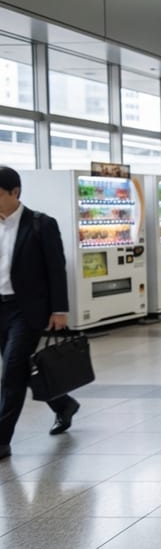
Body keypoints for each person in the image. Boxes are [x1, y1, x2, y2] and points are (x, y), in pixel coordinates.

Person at [0, 167, 80, 459]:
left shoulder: (40, 224)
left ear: (15, 193)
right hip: (1, 308)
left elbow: (56, 269)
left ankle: (2, 440)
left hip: (27, 310)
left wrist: (60, 310)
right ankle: (63, 404)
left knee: (10, 373)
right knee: (21, 370)